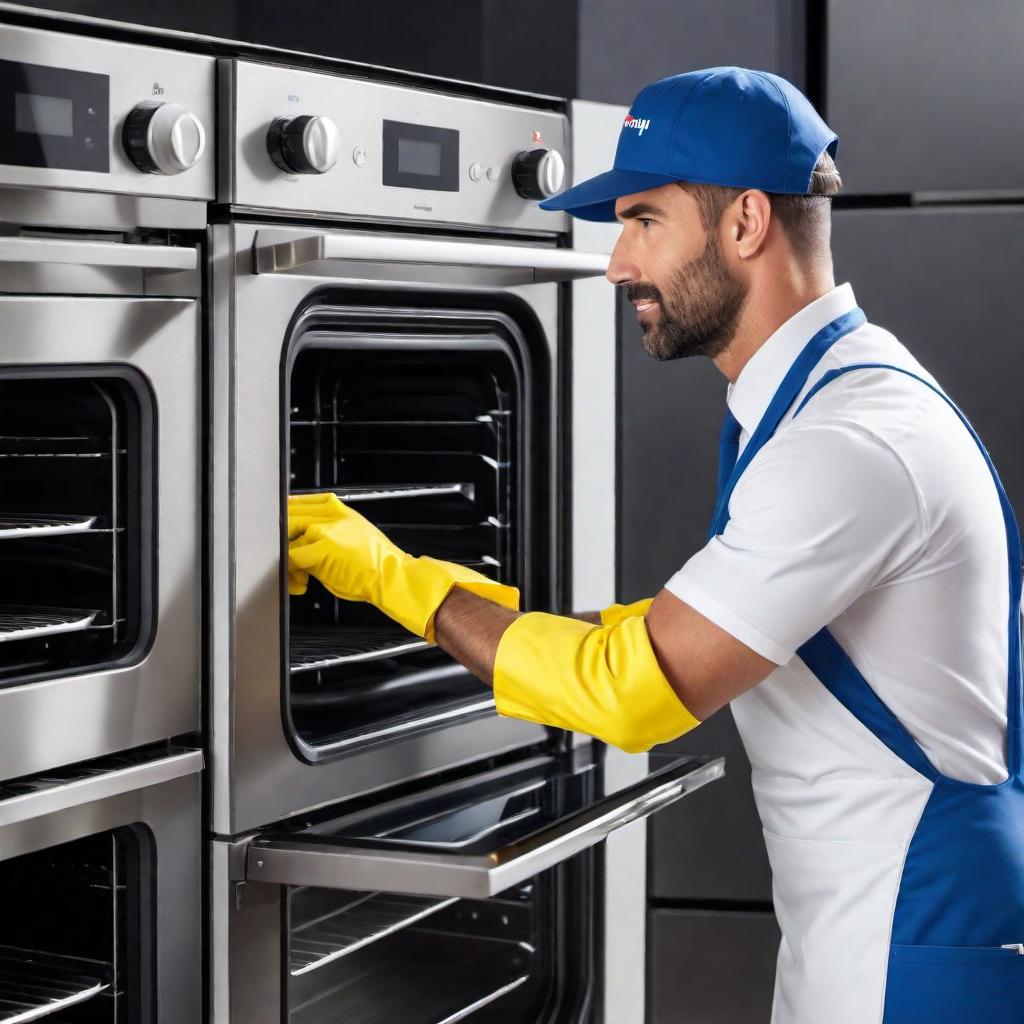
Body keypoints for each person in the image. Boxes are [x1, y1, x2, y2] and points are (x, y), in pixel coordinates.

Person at [287, 68, 1024, 1023]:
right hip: (873, 935)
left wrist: (395, 582)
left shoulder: (847, 441)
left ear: (745, 223)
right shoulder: (821, 402)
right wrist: (455, 594)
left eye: (643, 221)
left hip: (911, 952)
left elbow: (632, 687)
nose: (616, 263)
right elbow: (664, 631)